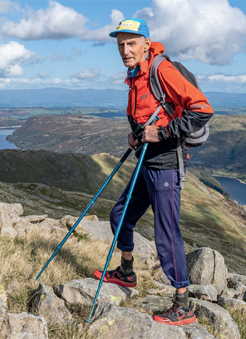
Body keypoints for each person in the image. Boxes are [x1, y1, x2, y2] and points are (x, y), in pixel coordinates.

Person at [93, 18, 214, 326]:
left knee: (166, 234)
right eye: (120, 43)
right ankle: (127, 273)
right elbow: (145, 113)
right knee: (120, 216)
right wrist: (136, 134)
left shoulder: (161, 69)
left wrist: (160, 135)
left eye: (131, 42)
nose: (124, 49)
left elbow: (202, 109)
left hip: (166, 165)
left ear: (146, 43)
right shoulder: (135, 75)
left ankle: (182, 302)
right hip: (146, 160)